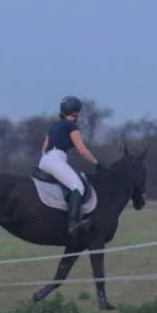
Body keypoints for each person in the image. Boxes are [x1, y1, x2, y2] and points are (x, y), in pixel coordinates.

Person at [38, 95, 106, 235]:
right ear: (76, 112)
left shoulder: (54, 126)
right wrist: (97, 163)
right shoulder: (71, 126)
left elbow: (43, 148)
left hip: (44, 160)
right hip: (56, 159)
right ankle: (73, 223)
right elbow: (81, 149)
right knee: (78, 186)